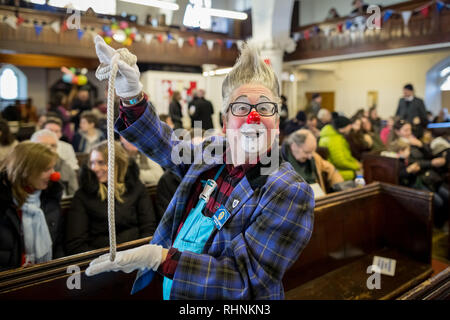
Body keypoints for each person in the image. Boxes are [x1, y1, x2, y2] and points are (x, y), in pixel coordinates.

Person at [85, 36, 315, 300]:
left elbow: (246, 281)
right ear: (226, 121)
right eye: (241, 108)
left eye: (265, 107)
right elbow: (164, 144)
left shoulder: (288, 190)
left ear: (276, 119)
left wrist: (160, 259)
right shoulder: (213, 151)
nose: (254, 117)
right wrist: (131, 96)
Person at [65, 141, 158, 255]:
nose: (95, 168)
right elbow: (76, 243)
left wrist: (140, 254)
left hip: (136, 253)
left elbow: (148, 227)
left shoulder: (136, 187)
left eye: (101, 162)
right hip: (101, 259)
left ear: (117, 164)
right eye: (92, 163)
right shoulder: (83, 195)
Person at [0, 141, 64, 271]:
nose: (54, 175)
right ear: (26, 171)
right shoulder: (3, 205)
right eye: (47, 169)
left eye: (53, 168)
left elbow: (58, 244)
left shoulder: (49, 200)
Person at [282, 129, 343, 197]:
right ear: (294, 146)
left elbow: (331, 170)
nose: (310, 157)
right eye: (306, 152)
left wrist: (340, 188)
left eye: (312, 152)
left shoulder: (314, 156)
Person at [30, 129, 79, 197]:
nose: (50, 149)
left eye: (53, 146)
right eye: (43, 146)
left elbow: (74, 195)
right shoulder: (27, 169)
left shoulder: (66, 167)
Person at [319, 115, 361, 180]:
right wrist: (356, 166)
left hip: (335, 168)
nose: (350, 128)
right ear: (343, 127)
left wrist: (355, 162)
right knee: (359, 173)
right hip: (335, 172)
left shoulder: (331, 135)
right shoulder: (334, 139)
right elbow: (340, 161)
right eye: (349, 126)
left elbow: (346, 156)